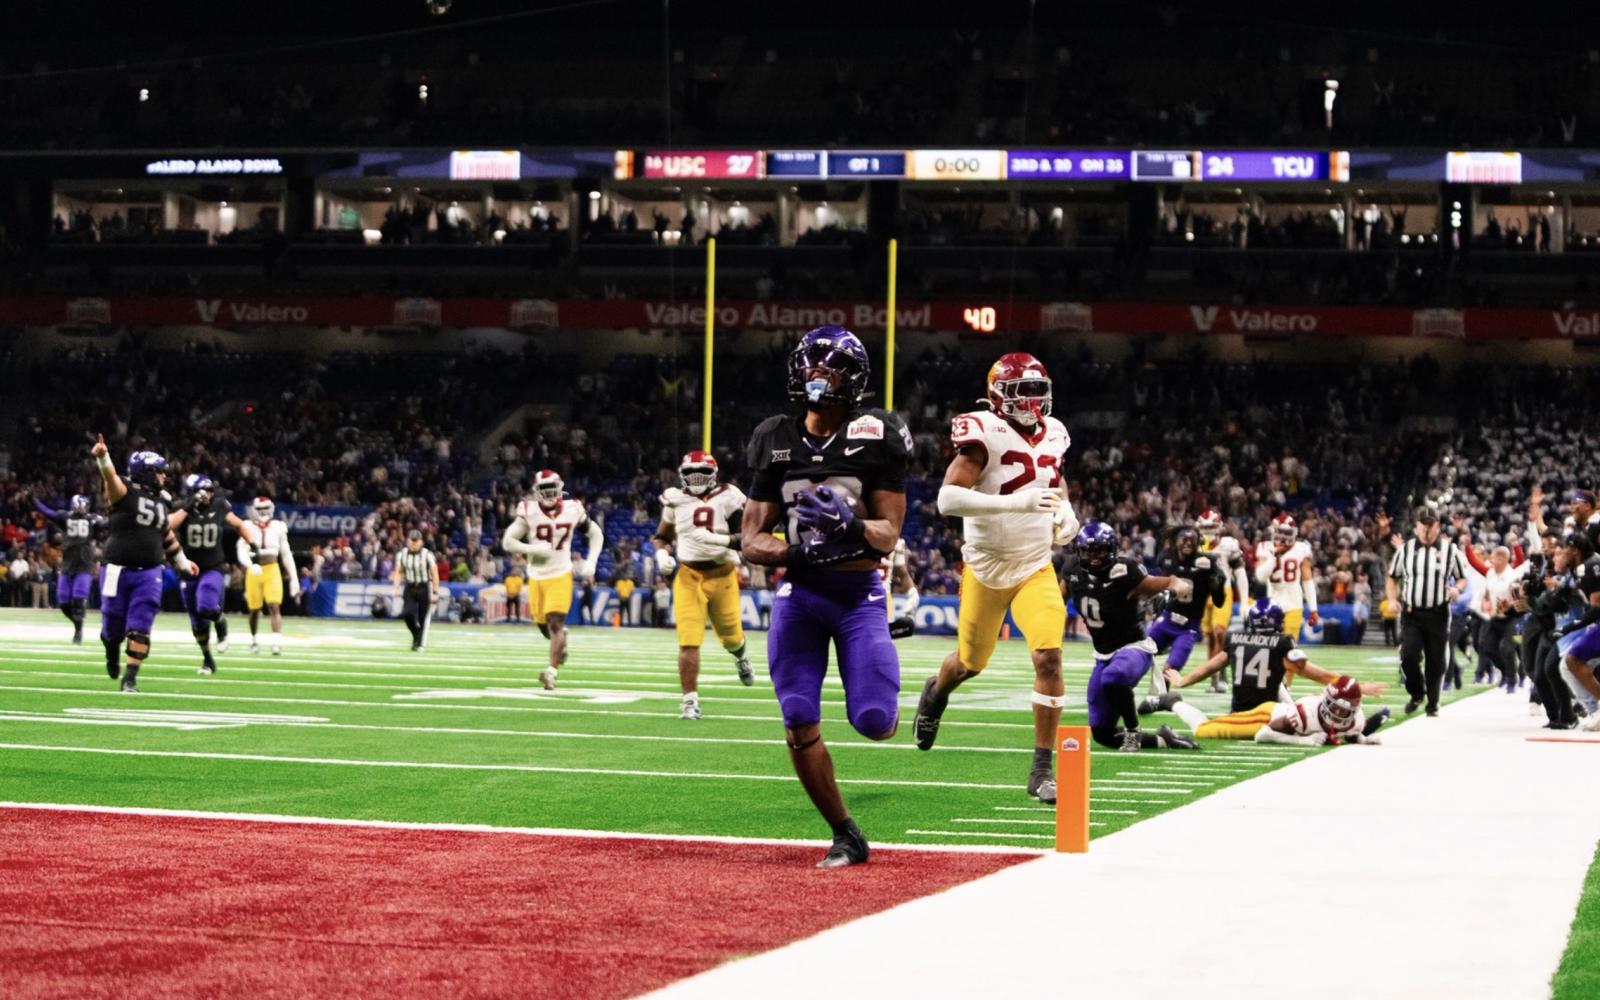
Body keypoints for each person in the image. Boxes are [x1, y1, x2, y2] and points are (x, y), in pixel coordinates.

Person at [740, 326, 910, 868]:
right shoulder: (775, 436)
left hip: (858, 594)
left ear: (853, 378)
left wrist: (850, 526)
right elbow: (751, 540)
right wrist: (797, 550)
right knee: (797, 715)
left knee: (875, 721)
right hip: (801, 593)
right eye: (811, 363)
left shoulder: (877, 433)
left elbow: (890, 533)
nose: (819, 373)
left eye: (832, 365)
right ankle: (845, 833)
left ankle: (891, 677)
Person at [913, 352, 1077, 804]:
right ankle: (936, 693)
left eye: (1038, 390)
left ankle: (1041, 769)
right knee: (969, 663)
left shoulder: (1056, 431)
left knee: (1049, 659)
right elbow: (948, 499)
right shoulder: (983, 431)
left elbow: (1054, 480)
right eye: (1023, 391)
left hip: (1034, 565)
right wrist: (1015, 503)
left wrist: (1065, 509)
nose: (1033, 401)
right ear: (999, 394)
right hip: (985, 568)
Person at [1147, 598, 1389, 739]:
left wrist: (1183, 680)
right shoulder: (1282, 644)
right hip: (1269, 710)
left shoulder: (1237, 639)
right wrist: (1356, 686)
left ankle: (1173, 701)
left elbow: (1211, 667)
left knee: (1301, 721)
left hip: (1254, 711)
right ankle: (1172, 701)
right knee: (1304, 720)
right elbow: (1316, 674)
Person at [1060, 521, 1200, 752]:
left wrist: (1172, 589)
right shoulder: (1073, 569)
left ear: (1112, 549)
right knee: (1102, 733)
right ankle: (1163, 739)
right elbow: (1058, 598)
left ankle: (1133, 731)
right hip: (1103, 655)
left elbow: (1171, 583)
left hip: (1134, 647)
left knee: (1113, 678)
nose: (1094, 557)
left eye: (1100, 550)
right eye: (1088, 551)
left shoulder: (1125, 571)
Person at [652, 450, 754, 721]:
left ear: (714, 475)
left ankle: (740, 656)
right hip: (688, 576)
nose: (696, 479)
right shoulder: (675, 499)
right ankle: (689, 701)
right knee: (688, 642)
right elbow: (661, 536)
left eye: (703, 473)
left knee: (731, 637)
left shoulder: (729, 495)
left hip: (723, 574)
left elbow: (746, 538)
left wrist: (717, 540)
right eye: (691, 473)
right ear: (682, 475)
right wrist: (661, 554)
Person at [89, 435, 196, 692]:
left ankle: (130, 678)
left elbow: (165, 533)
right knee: (112, 627)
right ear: (146, 473)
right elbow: (110, 477)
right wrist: (103, 457)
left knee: (141, 624)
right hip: (116, 569)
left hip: (149, 571)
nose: (164, 476)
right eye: (159, 472)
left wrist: (182, 561)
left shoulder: (162, 500)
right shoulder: (124, 491)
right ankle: (111, 651)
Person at [500, 469, 602, 689]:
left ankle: (551, 673)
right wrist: (533, 549)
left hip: (561, 573)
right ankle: (561, 638)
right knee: (545, 627)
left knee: (555, 622)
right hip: (536, 576)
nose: (548, 493)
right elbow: (508, 542)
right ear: (537, 491)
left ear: (560, 489)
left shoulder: (573, 509)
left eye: (551, 488)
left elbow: (596, 533)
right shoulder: (529, 510)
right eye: (544, 489)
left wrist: (592, 562)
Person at [168, 473, 260, 674]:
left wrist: (253, 544)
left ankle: (220, 622)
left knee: (206, 604)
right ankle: (208, 659)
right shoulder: (183, 508)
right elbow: (167, 526)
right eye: (203, 491)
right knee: (198, 623)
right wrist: (188, 506)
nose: (207, 495)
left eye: (209, 491)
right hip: (188, 570)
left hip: (212, 567)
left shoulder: (219, 505)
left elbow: (239, 524)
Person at [1387, 505, 1470, 716]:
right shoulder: (1405, 550)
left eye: (1429, 525)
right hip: (1412, 613)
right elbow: (1392, 577)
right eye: (1422, 525)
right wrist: (1392, 599)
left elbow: (1462, 578)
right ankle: (1416, 692)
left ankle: (1433, 703)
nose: (1425, 530)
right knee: (1408, 656)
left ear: (1437, 527)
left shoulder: (1450, 550)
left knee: (1436, 660)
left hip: (1438, 613)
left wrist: (1456, 589)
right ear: (1416, 526)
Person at [1148, 527, 1227, 688]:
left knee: (1171, 669)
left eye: (1192, 540)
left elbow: (1219, 602)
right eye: (1184, 539)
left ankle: (1159, 697)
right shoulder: (1167, 557)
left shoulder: (1207, 563)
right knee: (1139, 651)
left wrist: (1217, 587)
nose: (1188, 544)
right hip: (1167, 619)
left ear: (1198, 542)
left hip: (1188, 627)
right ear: (1176, 541)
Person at [32, 492, 105, 644]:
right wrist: (34, 500)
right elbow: (47, 512)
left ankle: (78, 630)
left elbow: (107, 524)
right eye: (82, 505)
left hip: (84, 565)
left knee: (79, 599)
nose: (84, 508)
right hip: (67, 565)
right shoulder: (66, 517)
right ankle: (78, 624)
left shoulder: (92, 519)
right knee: (64, 603)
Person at [1195, 508, 1251, 688]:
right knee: (1210, 637)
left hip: (1223, 591)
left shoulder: (1228, 545)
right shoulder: (1193, 544)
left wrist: (1244, 601)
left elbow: (1240, 573)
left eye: (1211, 527)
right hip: (1202, 594)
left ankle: (1221, 672)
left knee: (1220, 632)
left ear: (1219, 527)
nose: (1208, 531)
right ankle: (1215, 675)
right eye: (1205, 527)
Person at [1253, 676, 1385, 747]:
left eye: (1342, 710)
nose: (1335, 713)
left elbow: (1348, 734)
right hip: (1265, 715)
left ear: (1353, 712)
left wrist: (1363, 739)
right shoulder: (1305, 714)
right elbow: (1262, 735)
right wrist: (1303, 741)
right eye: (1332, 705)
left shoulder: (1356, 721)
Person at [1254, 513, 1318, 640]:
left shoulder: (1302, 548)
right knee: (1272, 645)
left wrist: (1313, 609)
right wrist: (1273, 557)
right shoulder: (1265, 547)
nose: (1283, 537)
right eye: (1280, 532)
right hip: (1272, 604)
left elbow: (1307, 581)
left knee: (1290, 645)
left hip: (1294, 603)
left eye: (1287, 533)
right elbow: (1260, 577)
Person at [392, 529, 439, 651]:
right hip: (410, 586)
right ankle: (416, 634)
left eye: (416, 541)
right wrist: (396, 587)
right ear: (408, 541)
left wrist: (435, 591)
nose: (413, 544)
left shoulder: (427, 554)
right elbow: (399, 572)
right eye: (411, 541)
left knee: (423, 617)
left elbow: (434, 572)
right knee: (407, 614)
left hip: (424, 586)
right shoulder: (402, 554)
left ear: (421, 542)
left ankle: (419, 644)